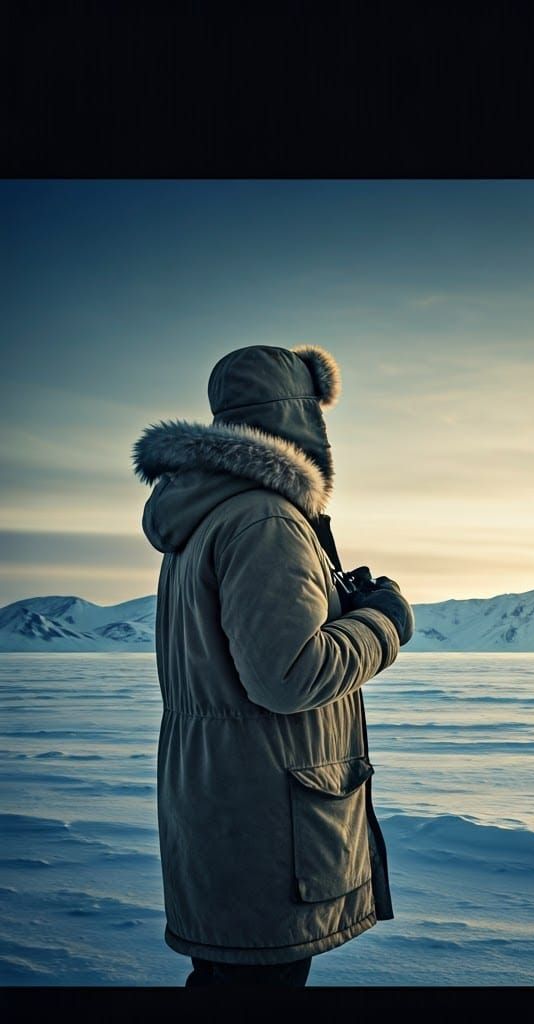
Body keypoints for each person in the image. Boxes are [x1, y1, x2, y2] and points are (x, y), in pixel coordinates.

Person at [131, 344, 414, 987]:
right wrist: (384, 622)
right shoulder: (265, 520)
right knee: (257, 992)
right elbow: (289, 676)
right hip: (269, 821)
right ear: (301, 420)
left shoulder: (203, 519)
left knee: (226, 984)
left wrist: (339, 604)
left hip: (221, 802)